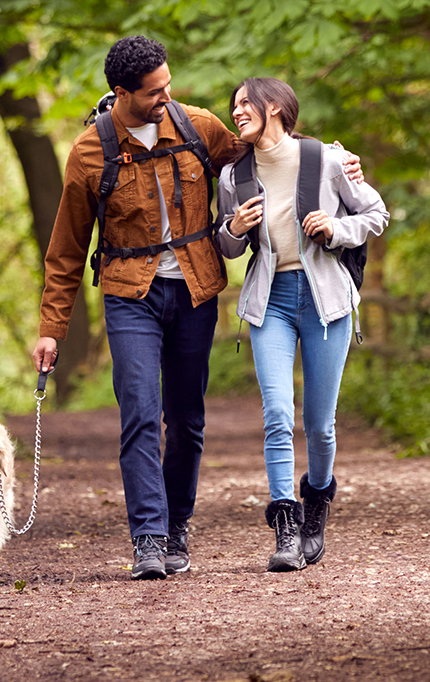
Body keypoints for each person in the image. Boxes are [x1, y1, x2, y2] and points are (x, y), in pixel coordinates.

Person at [30, 37, 363, 580]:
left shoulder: (196, 126)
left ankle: (178, 523)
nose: (168, 95)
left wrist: (335, 163)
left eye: (168, 83)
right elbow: (65, 248)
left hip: (193, 288)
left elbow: (267, 155)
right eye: (156, 91)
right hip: (128, 293)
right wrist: (52, 329)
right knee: (139, 412)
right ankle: (150, 538)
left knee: (185, 418)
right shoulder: (90, 153)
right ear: (122, 93)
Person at [214, 78, 388, 572]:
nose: (237, 111)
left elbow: (376, 213)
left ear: (274, 107)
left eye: (246, 103)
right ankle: (286, 527)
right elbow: (225, 246)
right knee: (276, 413)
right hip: (270, 302)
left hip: (325, 301)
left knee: (319, 425)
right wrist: (234, 229)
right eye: (234, 105)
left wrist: (336, 229)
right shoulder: (234, 176)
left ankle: (316, 510)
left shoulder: (327, 160)